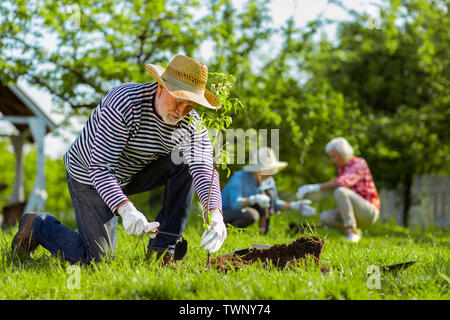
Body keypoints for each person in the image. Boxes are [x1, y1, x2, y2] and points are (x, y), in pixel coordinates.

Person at [11, 55, 227, 265]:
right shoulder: (124, 102)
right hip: (89, 174)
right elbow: (100, 168)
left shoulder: (190, 123)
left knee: (186, 162)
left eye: (189, 106)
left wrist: (216, 215)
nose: (181, 111)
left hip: (132, 172)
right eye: (178, 102)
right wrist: (126, 209)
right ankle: (38, 225)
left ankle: (163, 250)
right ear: (161, 87)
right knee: (97, 261)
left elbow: (205, 168)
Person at [296, 137, 380, 242]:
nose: (332, 160)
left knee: (340, 191)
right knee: (325, 217)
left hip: (368, 212)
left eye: (334, 156)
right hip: (356, 214)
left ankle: (351, 231)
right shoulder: (342, 168)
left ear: (343, 153)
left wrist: (314, 187)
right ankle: (355, 232)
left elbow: (342, 182)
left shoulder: (359, 163)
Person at [222, 147, 315, 234]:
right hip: (225, 211)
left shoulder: (269, 181)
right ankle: (226, 230)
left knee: (269, 194)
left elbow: (275, 204)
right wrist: (253, 199)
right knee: (251, 214)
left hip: (244, 210)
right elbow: (235, 204)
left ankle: (262, 232)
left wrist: (293, 205)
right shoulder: (239, 178)